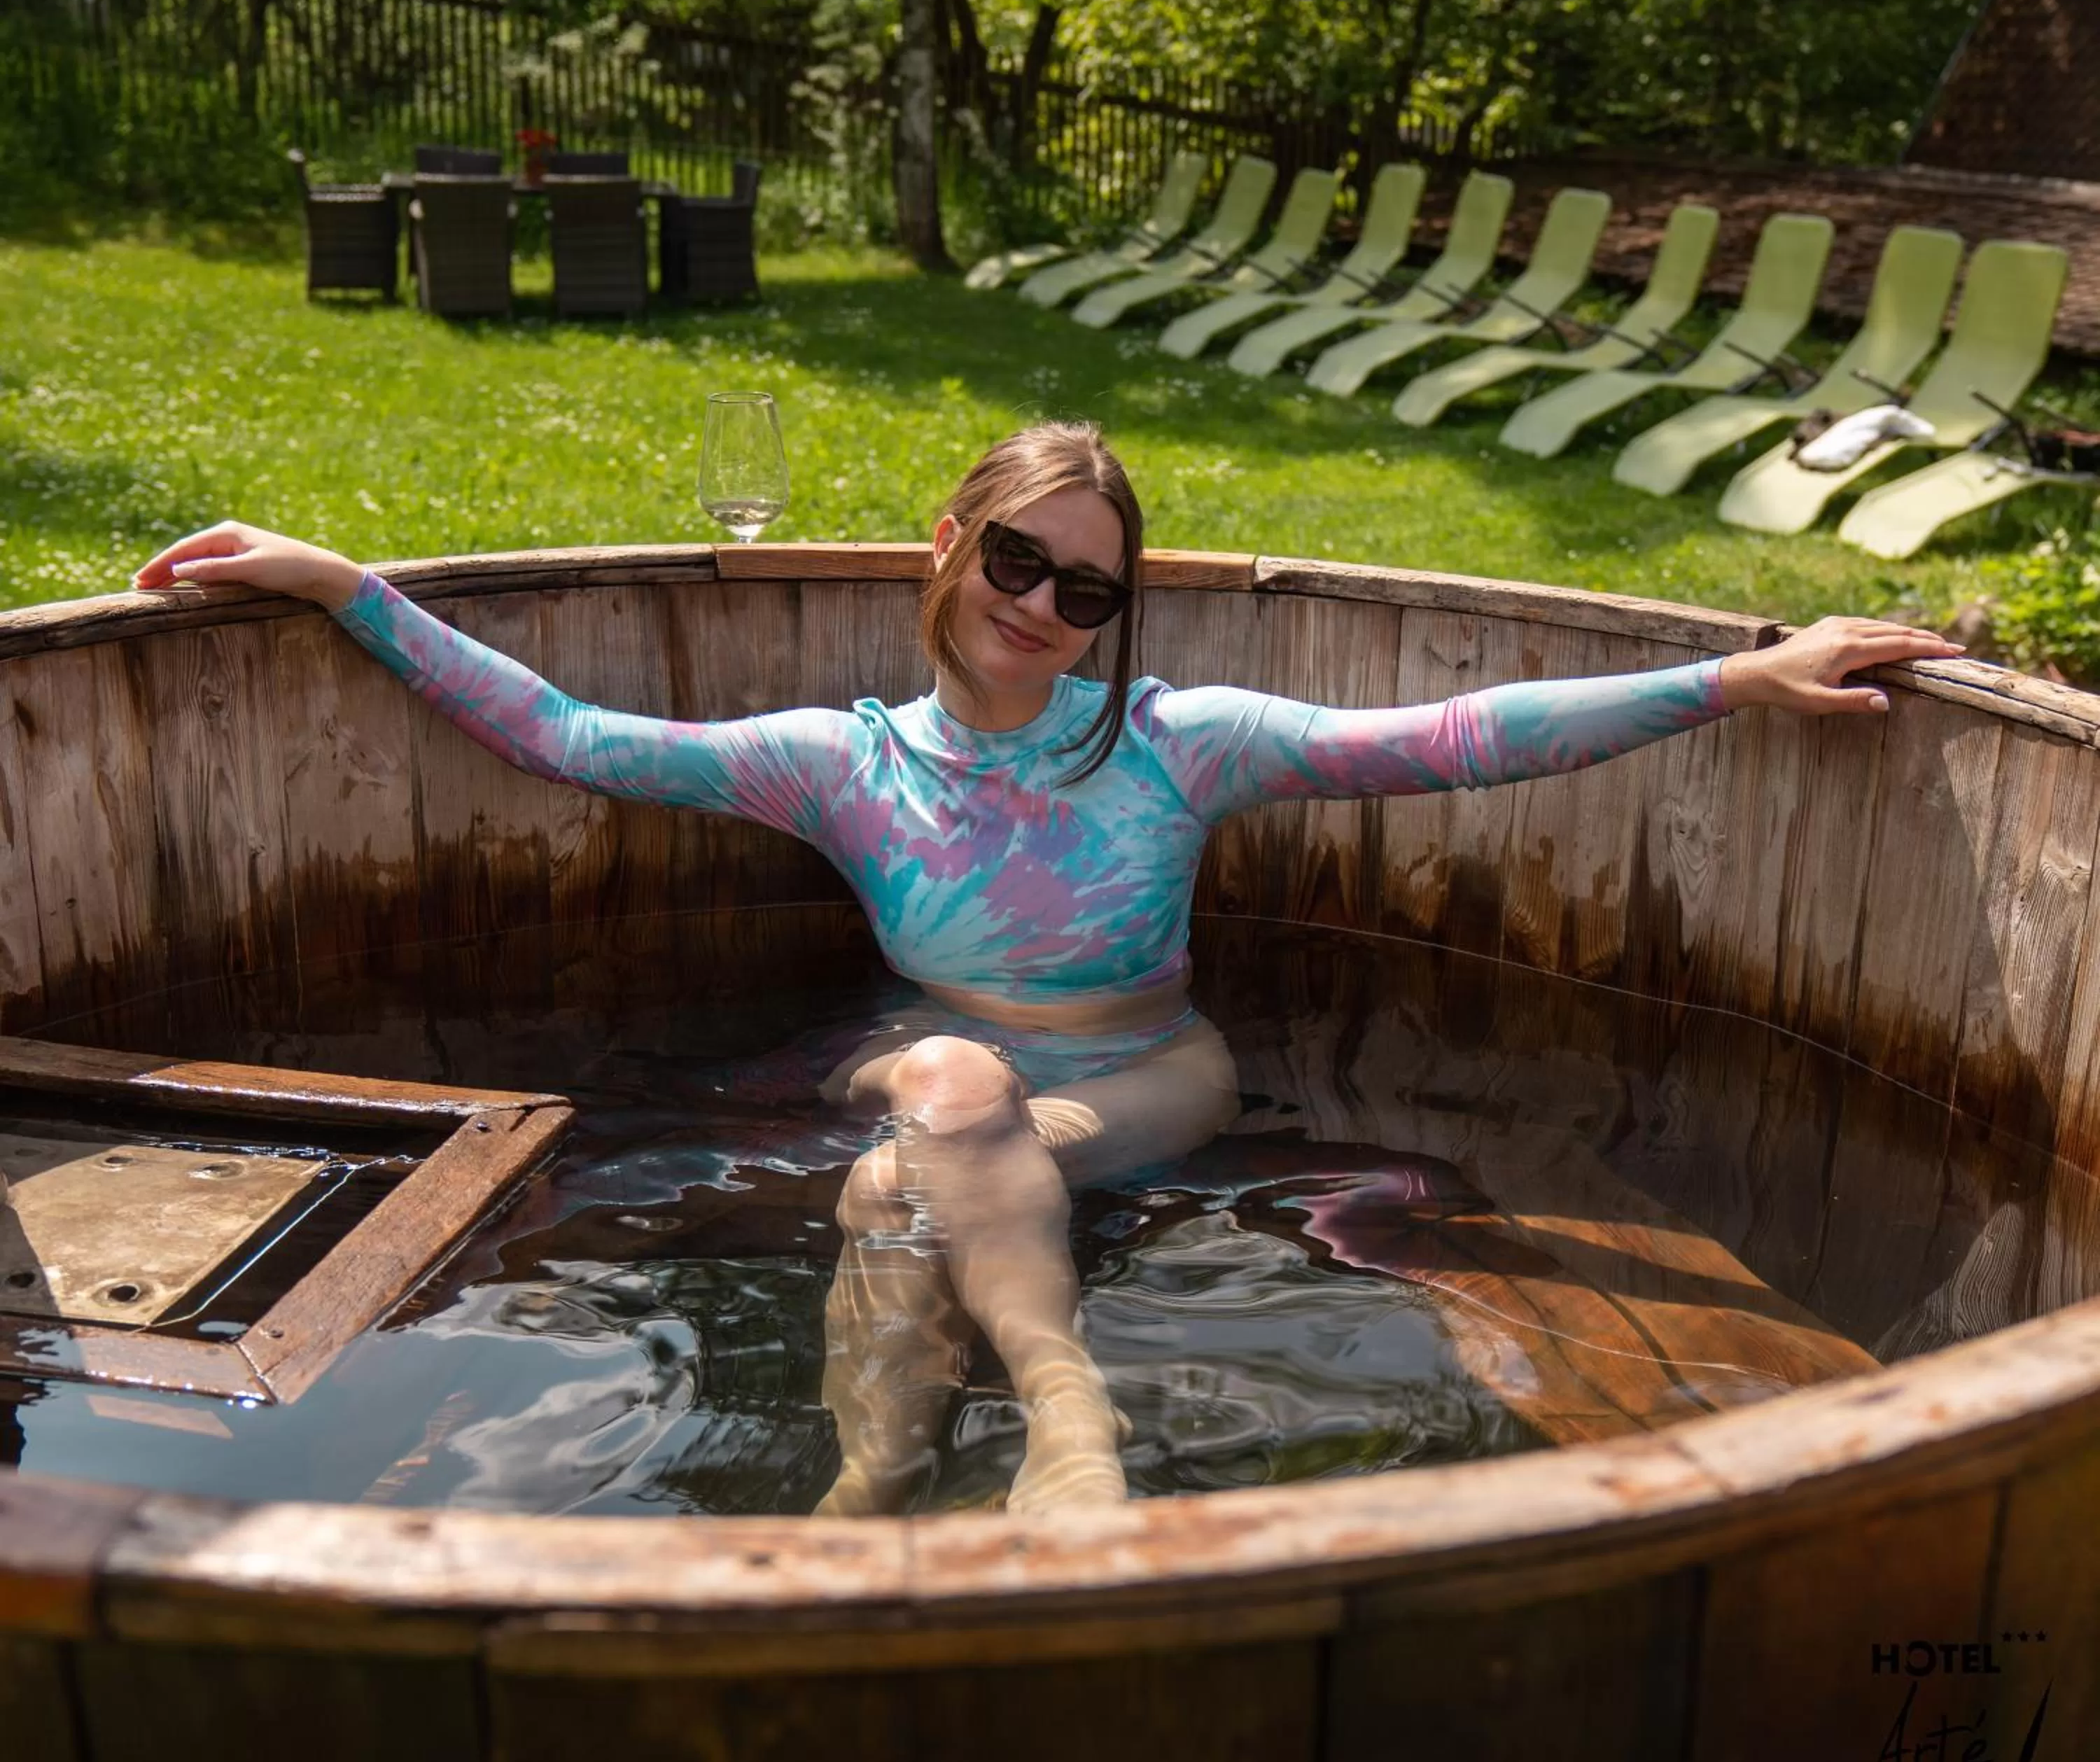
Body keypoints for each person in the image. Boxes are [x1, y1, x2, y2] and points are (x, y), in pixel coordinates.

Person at [132, 421, 1959, 1513]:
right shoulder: (838, 764)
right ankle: (1025, 1428)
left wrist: (1737, 677)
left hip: (1151, 1068)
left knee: (904, 1165)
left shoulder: (1180, 743)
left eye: (1087, 590)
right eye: (1019, 559)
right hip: (925, 1051)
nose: (1043, 607)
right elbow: (574, 740)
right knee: (939, 1088)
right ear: (951, 543)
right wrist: (345, 587)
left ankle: (908, 1474)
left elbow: (1455, 737)